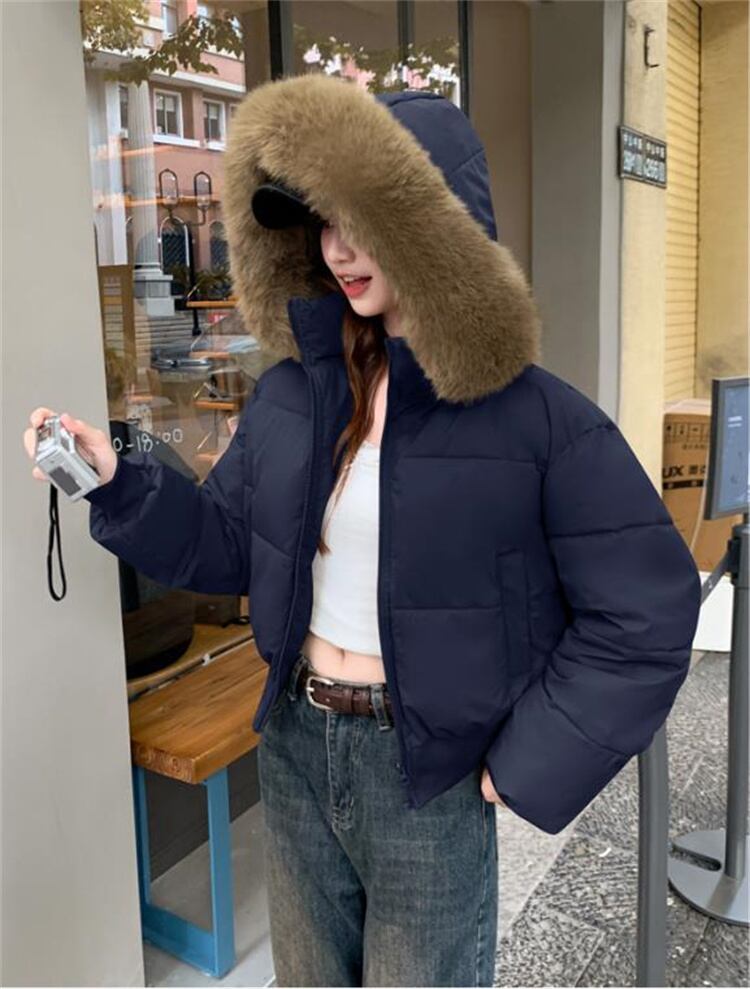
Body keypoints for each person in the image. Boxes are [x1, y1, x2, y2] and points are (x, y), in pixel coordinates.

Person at [24, 74, 702, 987]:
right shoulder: (293, 395)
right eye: (322, 223)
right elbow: (226, 543)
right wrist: (116, 479)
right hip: (296, 749)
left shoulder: (538, 419)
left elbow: (646, 609)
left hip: (427, 776)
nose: (337, 249)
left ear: (431, 228)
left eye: (360, 221)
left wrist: (528, 760)